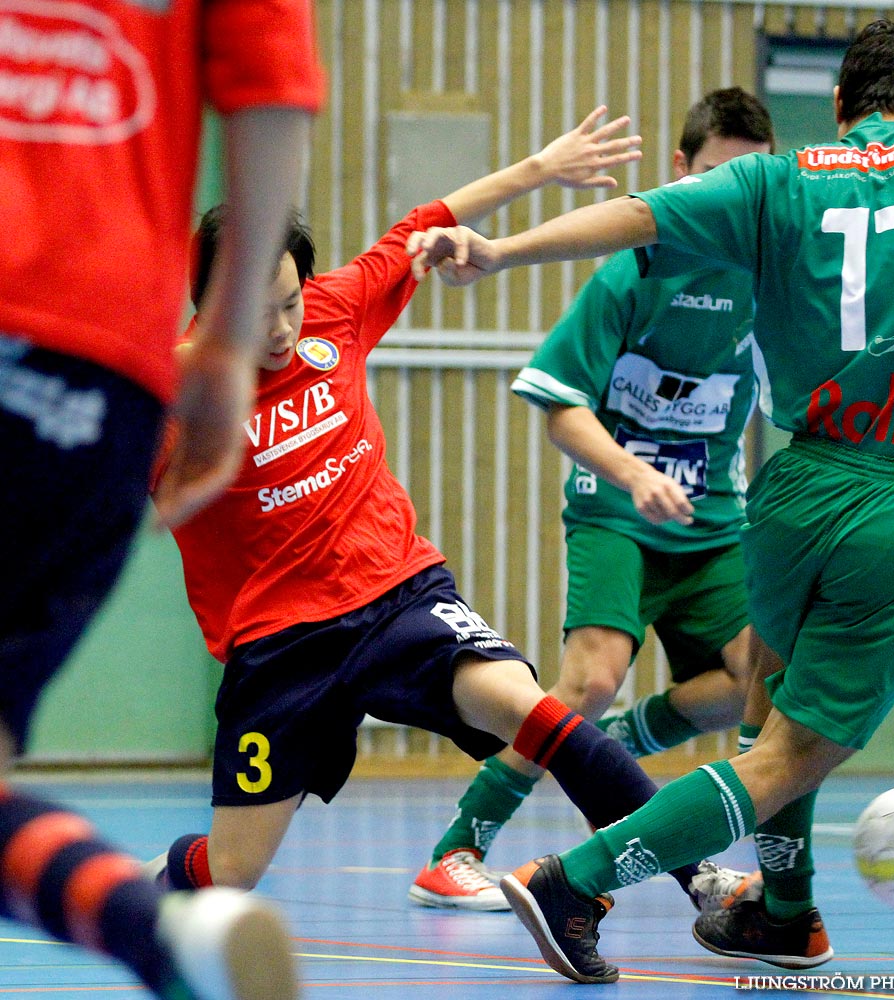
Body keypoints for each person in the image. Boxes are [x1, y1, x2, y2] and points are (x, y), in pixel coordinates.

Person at [407, 17, 894, 981]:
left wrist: (498, 250)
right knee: (788, 756)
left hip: (785, 494)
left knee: (766, 707)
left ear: (843, 105)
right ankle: (577, 879)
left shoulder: (775, 180)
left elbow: (640, 215)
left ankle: (784, 912)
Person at [142, 108, 733, 915]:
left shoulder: (336, 312)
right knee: (234, 871)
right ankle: (149, 885)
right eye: (254, 309)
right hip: (278, 647)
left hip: (398, 597)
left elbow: (428, 224)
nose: (280, 329)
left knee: (536, 712)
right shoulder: (168, 403)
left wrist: (541, 165)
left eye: (289, 301)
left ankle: (698, 877)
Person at [0, 0, 323, 996]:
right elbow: (273, 88)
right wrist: (225, 343)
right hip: (94, 367)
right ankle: (164, 938)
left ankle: (153, 931)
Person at [408, 88, 774, 911]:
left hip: (713, 522)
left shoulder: (768, 283)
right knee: (589, 681)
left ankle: (626, 746)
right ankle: (456, 848)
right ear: (679, 172)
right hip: (616, 509)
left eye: (745, 182)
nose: (726, 200)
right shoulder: (634, 270)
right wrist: (633, 473)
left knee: (760, 674)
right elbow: (561, 409)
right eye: (712, 176)